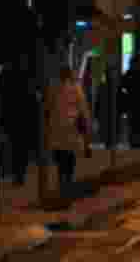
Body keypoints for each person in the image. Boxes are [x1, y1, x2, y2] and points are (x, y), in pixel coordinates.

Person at [44, 65, 92, 202]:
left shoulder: (53, 89)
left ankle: (62, 187)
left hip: (57, 130)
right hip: (72, 129)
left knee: (60, 161)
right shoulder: (76, 89)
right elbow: (83, 110)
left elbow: (47, 108)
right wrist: (87, 130)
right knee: (69, 162)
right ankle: (66, 188)